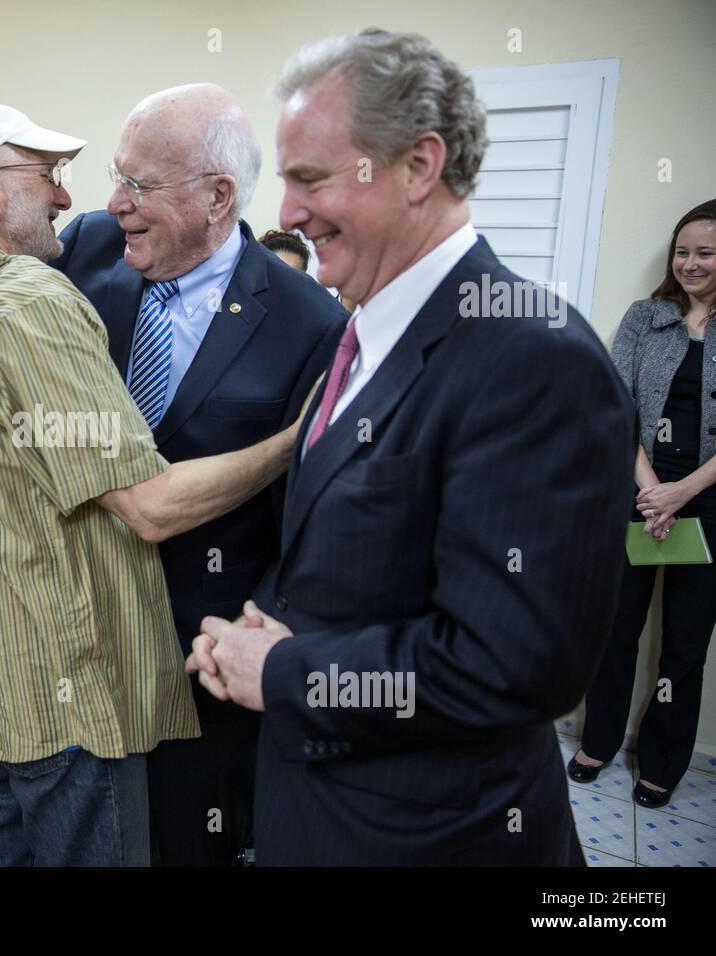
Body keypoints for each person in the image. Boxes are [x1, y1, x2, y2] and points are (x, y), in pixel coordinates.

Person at [186, 28, 636, 865]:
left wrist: (285, 673)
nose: (285, 215)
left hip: (429, 837)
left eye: (311, 179)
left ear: (419, 166)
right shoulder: (362, 332)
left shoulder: (536, 360)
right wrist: (272, 618)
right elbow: (356, 539)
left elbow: (517, 665)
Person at [0, 86, 345, 867]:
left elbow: (311, 521)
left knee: (187, 841)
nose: (105, 200)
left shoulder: (310, 323)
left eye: (138, 185)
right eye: (112, 177)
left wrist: (271, 635)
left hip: (200, 651)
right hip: (77, 654)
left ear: (216, 195)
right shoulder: (81, 251)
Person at [571, 199, 716, 808]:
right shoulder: (645, 317)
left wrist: (683, 491)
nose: (689, 263)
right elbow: (611, 400)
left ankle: (661, 761)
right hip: (636, 492)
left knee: (684, 644)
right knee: (614, 628)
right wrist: (651, 487)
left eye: (704, 252)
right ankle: (598, 740)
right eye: (681, 251)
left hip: (706, 503)